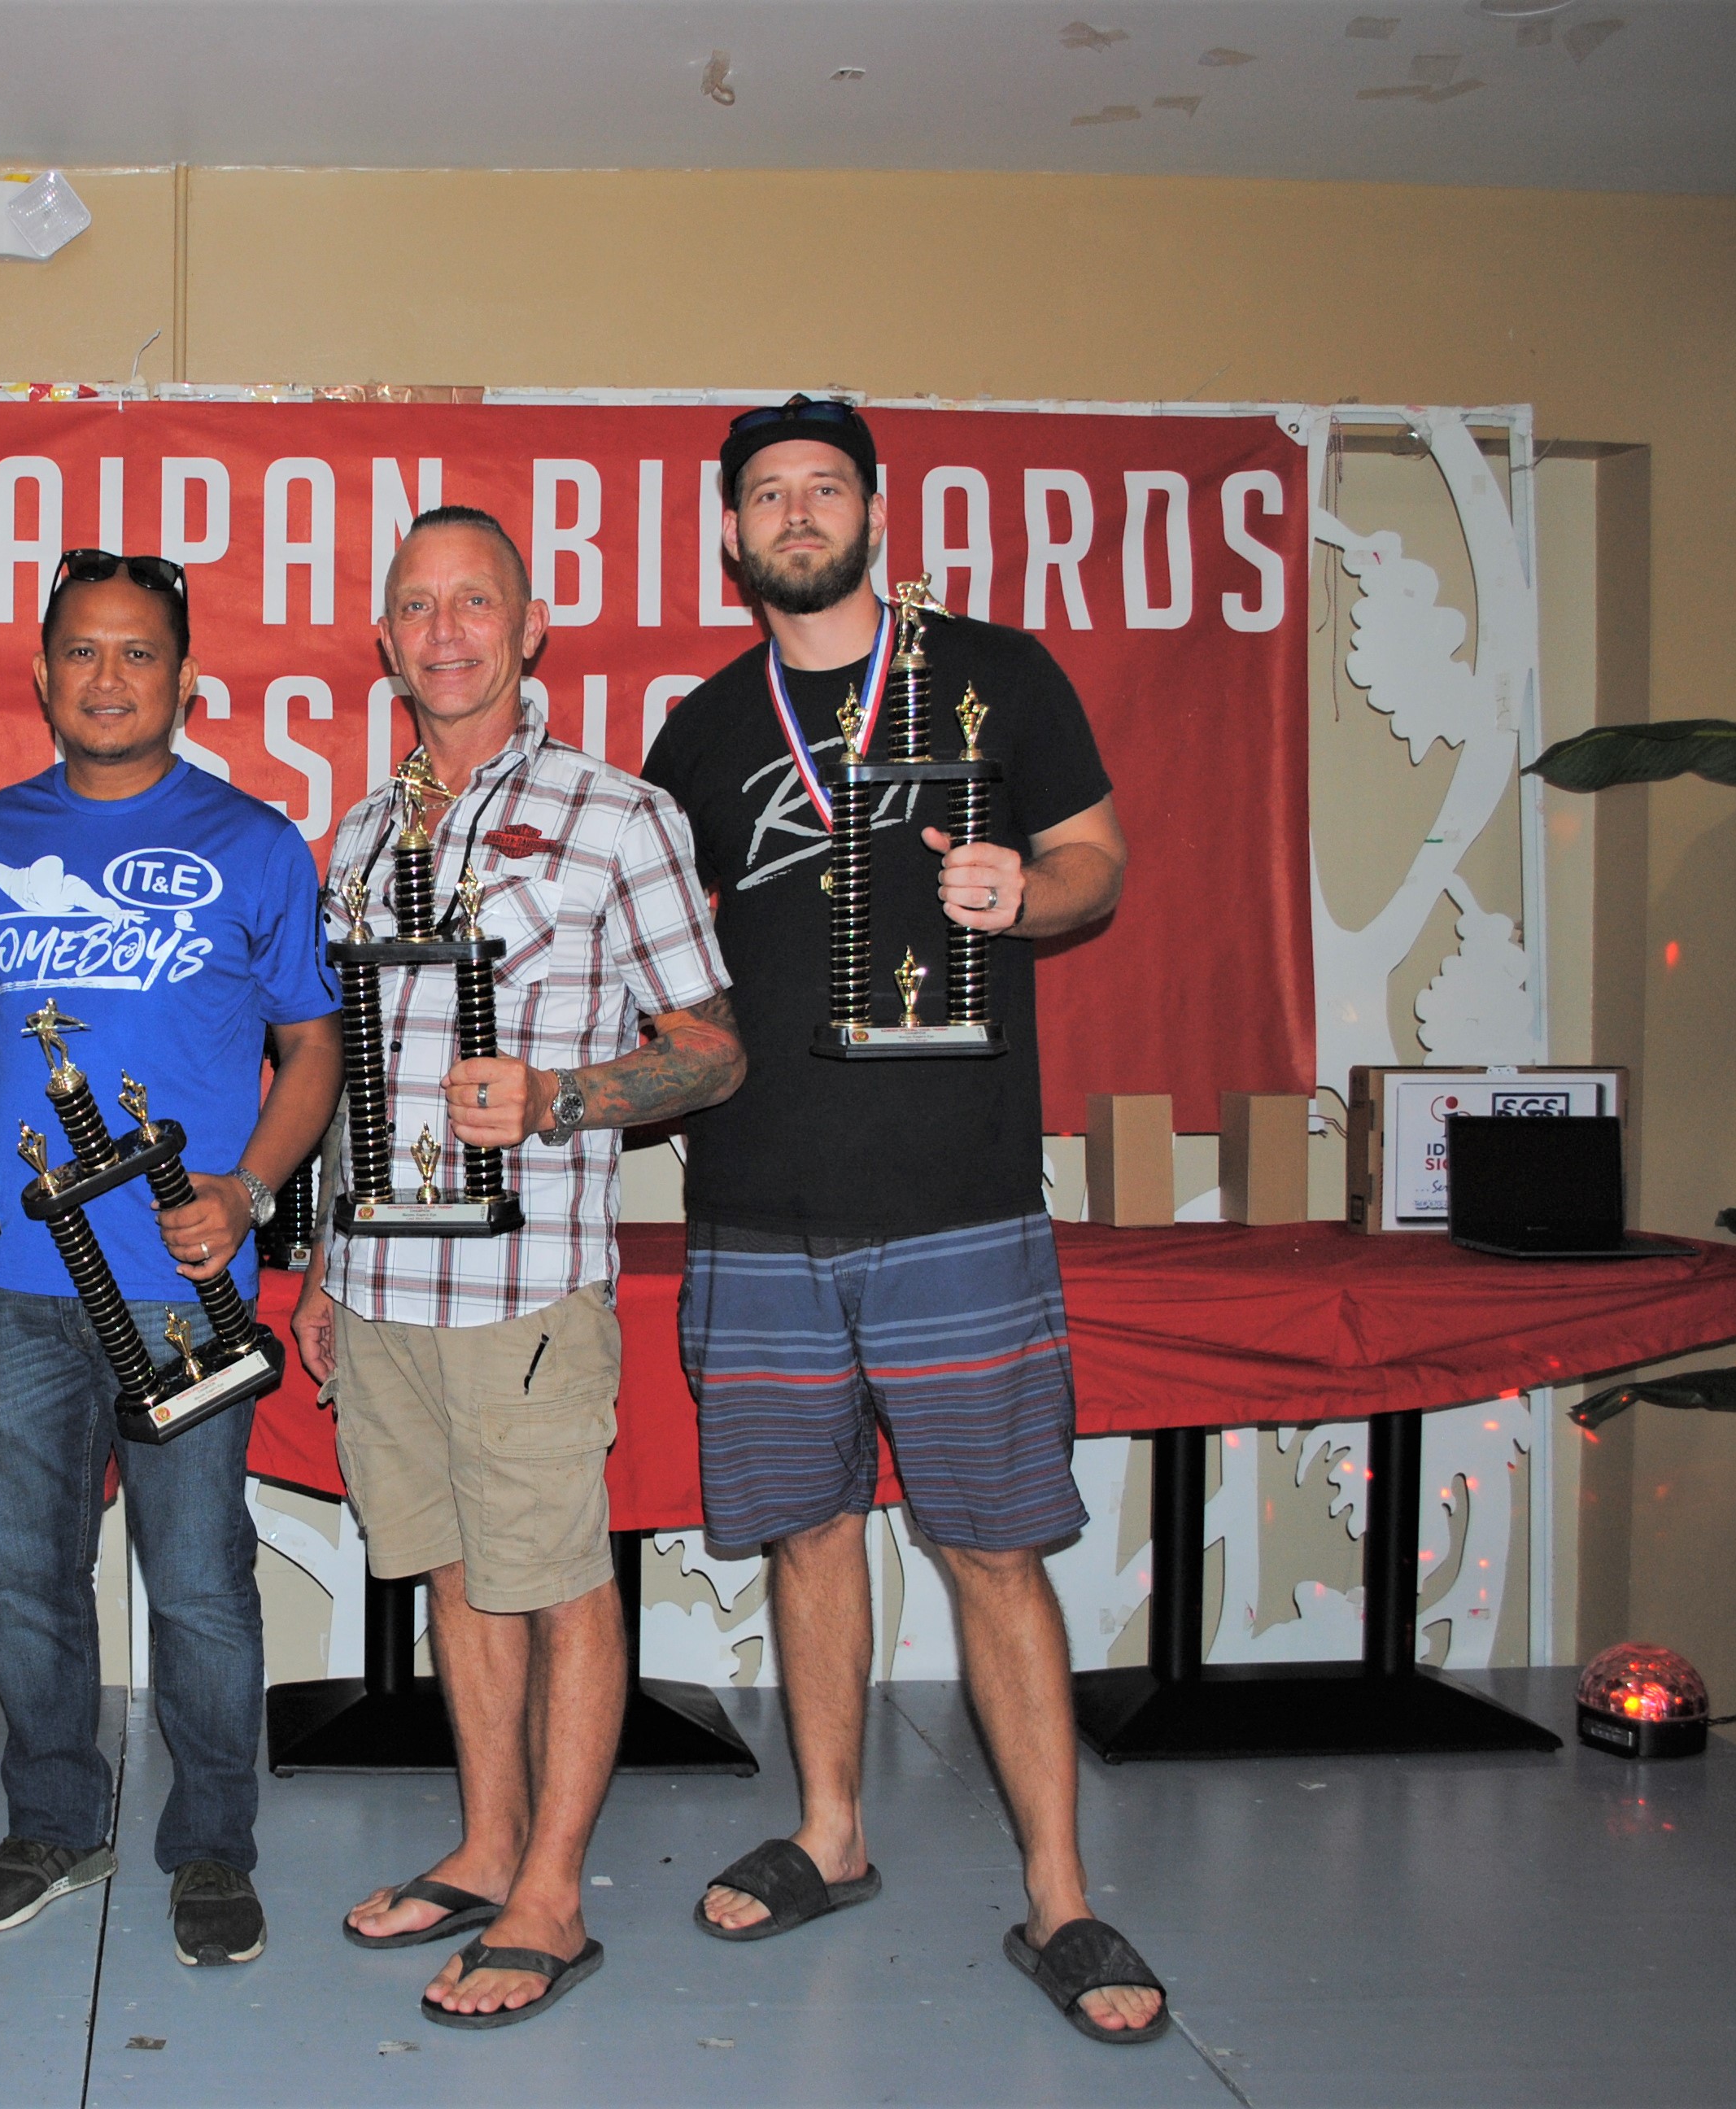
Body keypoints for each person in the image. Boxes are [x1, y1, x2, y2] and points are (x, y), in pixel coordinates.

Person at [639, 395, 1165, 2045]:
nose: (796, 514)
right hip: (753, 1206)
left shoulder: (998, 674)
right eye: (767, 495)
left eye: (824, 488)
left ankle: (1061, 1896)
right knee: (806, 1532)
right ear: (733, 535)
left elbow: (1097, 860)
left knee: (992, 1547)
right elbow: (662, 963)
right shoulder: (700, 731)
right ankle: (831, 1832)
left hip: (955, 1200)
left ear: (873, 512)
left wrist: (1028, 890)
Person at [298, 507, 746, 2028]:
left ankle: (553, 1893)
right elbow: (355, 1076)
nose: (445, 632)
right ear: (385, 637)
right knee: (455, 1568)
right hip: (382, 1289)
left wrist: (560, 1096)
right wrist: (325, 1261)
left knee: (555, 1578)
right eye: (417, 606)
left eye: (474, 602)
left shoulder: (619, 817)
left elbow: (712, 1052)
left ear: (531, 626)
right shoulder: (363, 836)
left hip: (525, 1287)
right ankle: (488, 1845)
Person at [0, 548, 341, 1966]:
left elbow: (314, 1048)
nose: (107, 677)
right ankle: (52, 1823)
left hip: (181, 1291)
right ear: (41, 674)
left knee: (197, 1584)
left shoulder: (256, 841)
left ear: (184, 679)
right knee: (28, 1582)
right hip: (16, 1285)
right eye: (81, 651)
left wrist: (249, 1194)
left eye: (138, 653)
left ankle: (210, 1846)